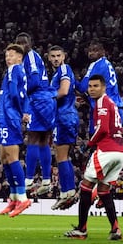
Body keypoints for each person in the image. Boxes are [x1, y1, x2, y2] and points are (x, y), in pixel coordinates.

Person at [64, 75, 123, 240]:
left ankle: (81, 229)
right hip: (120, 152)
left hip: (106, 149)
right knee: (104, 190)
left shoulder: (102, 102)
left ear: (104, 87)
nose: (91, 89)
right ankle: (115, 229)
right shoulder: (112, 103)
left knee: (86, 186)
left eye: (95, 86)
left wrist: (89, 144)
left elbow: (103, 129)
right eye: (90, 86)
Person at [15, 33, 56, 196]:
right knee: (43, 141)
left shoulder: (30, 57)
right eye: (19, 42)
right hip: (46, 100)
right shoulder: (29, 57)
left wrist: (20, 92)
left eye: (24, 42)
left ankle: (29, 179)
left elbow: (34, 80)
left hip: (39, 101)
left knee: (32, 138)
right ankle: (46, 179)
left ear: (30, 43)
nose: (22, 45)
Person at [0, 43, 33, 217]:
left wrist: (19, 112)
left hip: (9, 117)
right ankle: (13, 197)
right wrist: (24, 111)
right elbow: (23, 95)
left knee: (12, 157)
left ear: (20, 57)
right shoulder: (18, 72)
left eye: (11, 55)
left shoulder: (14, 70)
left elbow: (13, 94)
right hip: (5, 117)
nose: (8, 58)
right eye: (6, 56)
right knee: (4, 157)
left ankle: (23, 198)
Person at [47, 45, 81, 209]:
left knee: (61, 156)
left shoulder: (64, 69)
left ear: (64, 56)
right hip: (64, 117)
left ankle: (67, 192)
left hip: (64, 117)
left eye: (58, 55)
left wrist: (45, 98)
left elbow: (65, 90)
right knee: (62, 156)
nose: (55, 59)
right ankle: (67, 192)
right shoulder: (56, 74)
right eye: (52, 56)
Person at [77, 41, 123, 130]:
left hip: (105, 108)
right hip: (116, 105)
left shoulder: (97, 64)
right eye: (90, 51)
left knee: (99, 140)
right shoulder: (107, 63)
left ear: (102, 52)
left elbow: (83, 87)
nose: (91, 53)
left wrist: (72, 81)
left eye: (95, 50)